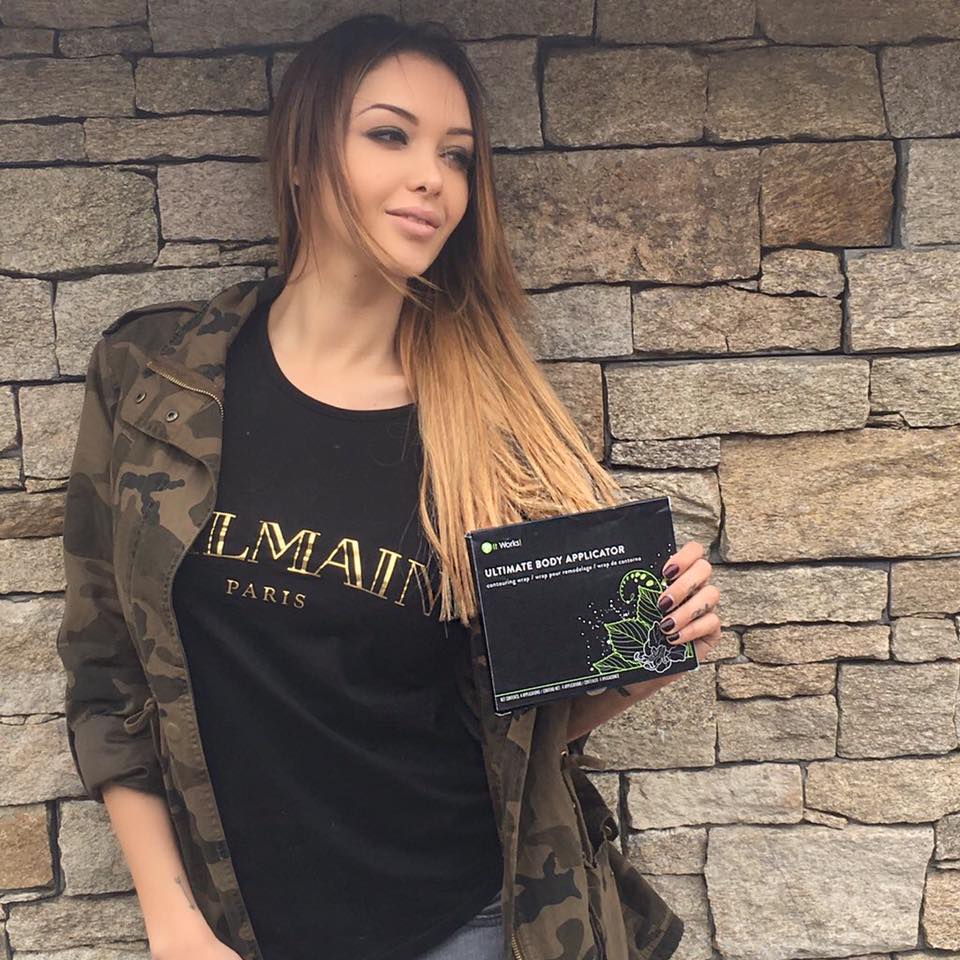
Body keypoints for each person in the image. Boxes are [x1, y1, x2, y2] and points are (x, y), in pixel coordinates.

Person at [56, 13, 721, 960]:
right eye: (389, 135)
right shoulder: (155, 376)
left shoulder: (495, 427)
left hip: (467, 923)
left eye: (456, 155)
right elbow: (105, 665)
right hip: (239, 931)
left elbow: (524, 728)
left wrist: (641, 654)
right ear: (301, 155)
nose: (432, 178)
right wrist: (173, 922)